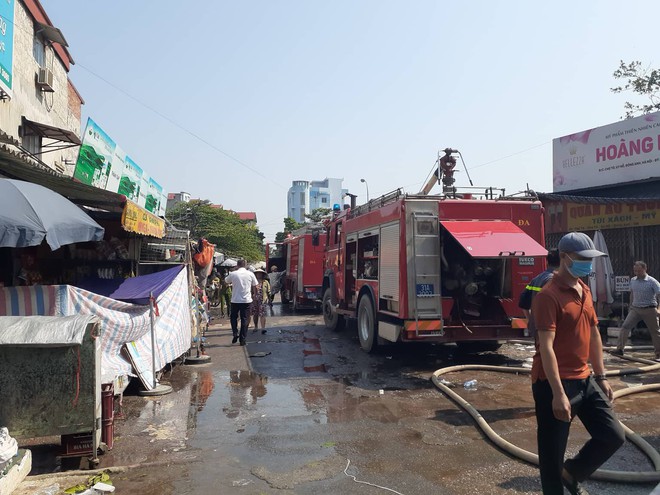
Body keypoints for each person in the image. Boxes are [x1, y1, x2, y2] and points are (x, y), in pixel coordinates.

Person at [531, 232, 624, 495]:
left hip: (584, 378)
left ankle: (571, 473)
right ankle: (559, 480)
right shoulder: (548, 296)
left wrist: (601, 376)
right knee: (552, 457)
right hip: (554, 383)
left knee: (613, 436)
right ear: (564, 257)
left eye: (591, 259)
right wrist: (558, 394)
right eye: (583, 259)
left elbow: (594, 334)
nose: (588, 264)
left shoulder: (583, 289)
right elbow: (545, 347)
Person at [612, 261, 660, 361]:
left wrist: (659, 309)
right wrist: (630, 306)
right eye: (635, 271)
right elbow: (632, 294)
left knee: (655, 332)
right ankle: (620, 349)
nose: (637, 273)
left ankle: (658, 354)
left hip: (649, 309)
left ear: (644, 269)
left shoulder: (652, 281)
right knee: (625, 327)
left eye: (639, 270)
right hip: (636, 309)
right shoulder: (633, 280)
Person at [518, 248, 560, 340]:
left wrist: (530, 320)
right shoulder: (556, 281)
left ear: (547, 262)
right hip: (551, 330)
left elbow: (523, 302)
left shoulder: (537, 279)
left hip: (537, 328)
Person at [225, 259, 258, 346]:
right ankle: (242, 339)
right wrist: (254, 295)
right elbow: (255, 286)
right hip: (246, 300)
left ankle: (235, 332)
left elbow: (226, 281)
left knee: (233, 317)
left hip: (235, 300)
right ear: (246, 265)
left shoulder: (233, 274)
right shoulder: (250, 274)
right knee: (245, 319)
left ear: (237, 265)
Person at [250, 269, 271, 334]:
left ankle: (263, 328)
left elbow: (269, 291)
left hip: (263, 300)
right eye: (257, 273)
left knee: (262, 314)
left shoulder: (265, 282)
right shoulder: (253, 282)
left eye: (260, 273)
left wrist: (269, 299)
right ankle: (256, 326)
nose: (259, 274)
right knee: (255, 314)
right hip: (254, 300)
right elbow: (250, 291)